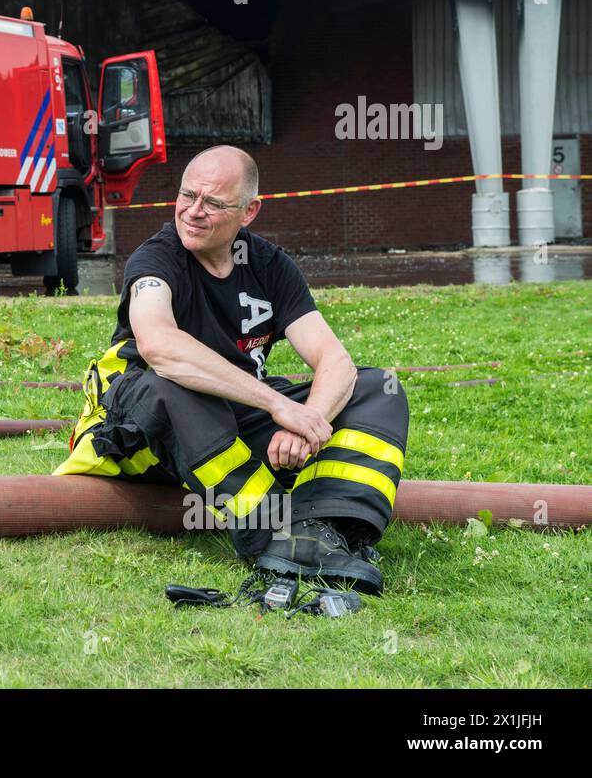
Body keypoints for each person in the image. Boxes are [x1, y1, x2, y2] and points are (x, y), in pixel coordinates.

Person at [54, 145, 409, 594]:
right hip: (142, 429)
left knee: (379, 389)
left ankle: (331, 529)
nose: (193, 212)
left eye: (213, 203)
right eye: (187, 196)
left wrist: (306, 422)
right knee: (170, 388)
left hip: (230, 421)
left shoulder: (269, 266)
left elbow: (335, 360)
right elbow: (160, 346)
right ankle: (274, 535)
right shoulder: (156, 259)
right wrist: (279, 405)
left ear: (249, 211)